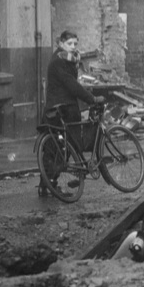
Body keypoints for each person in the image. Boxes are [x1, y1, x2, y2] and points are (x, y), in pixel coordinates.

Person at [40, 30, 104, 195]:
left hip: (63, 108)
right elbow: (71, 85)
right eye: (69, 44)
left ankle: (48, 184)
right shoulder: (58, 62)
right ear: (61, 44)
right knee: (58, 149)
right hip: (60, 110)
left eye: (75, 44)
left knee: (57, 148)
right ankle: (51, 183)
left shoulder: (67, 60)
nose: (73, 47)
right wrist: (91, 99)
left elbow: (72, 83)